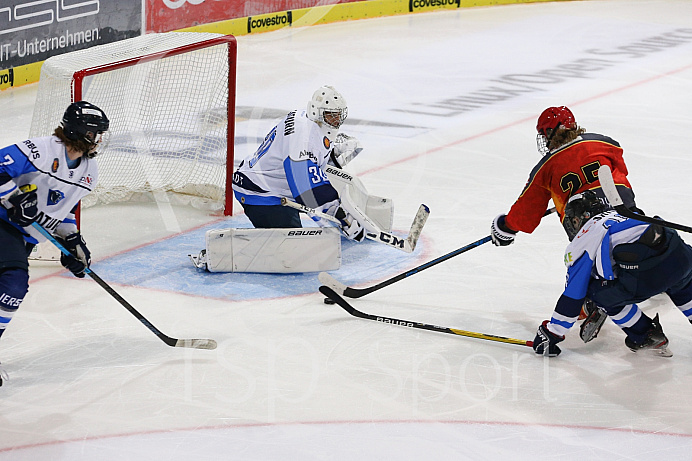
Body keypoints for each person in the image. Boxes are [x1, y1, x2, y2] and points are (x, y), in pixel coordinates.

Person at [490, 106, 641, 342]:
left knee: (585, 269)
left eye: (544, 133)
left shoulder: (546, 167)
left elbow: (526, 213)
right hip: (630, 216)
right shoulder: (606, 143)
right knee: (640, 247)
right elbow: (620, 173)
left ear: (551, 132)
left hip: (592, 228)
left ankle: (594, 300)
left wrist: (505, 227)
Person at [0, 101, 110, 385]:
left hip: (21, 237)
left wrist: (72, 241)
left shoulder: (89, 171)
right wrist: (13, 197)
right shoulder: (41, 149)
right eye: (93, 134)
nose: (97, 140)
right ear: (78, 131)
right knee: (12, 283)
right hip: (3, 223)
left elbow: (65, 210)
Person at [532, 190, 692, 358]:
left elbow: (574, 294)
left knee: (597, 293)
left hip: (648, 275)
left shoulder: (585, 236)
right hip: (683, 257)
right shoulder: (626, 213)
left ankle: (645, 335)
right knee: (681, 281)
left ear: (576, 219)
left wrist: (552, 333)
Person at [231, 85, 365, 242]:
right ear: (317, 112)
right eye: (331, 116)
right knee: (293, 249)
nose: (336, 121)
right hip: (260, 192)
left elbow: (310, 165)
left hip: (274, 186)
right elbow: (305, 187)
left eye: (338, 115)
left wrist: (332, 154)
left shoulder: (308, 120)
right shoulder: (303, 135)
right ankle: (227, 251)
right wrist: (341, 217)